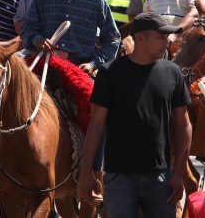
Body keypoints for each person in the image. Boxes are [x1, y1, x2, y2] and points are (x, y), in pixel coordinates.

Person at [77, 12, 191, 217]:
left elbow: (184, 126)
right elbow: (96, 126)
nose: (167, 43)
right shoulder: (109, 73)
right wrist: (86, 173)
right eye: (161, 37)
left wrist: (178, 174)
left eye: (167, 37)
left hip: (161, 177)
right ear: (139, 38)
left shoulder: (173, 73)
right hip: (119, 179)